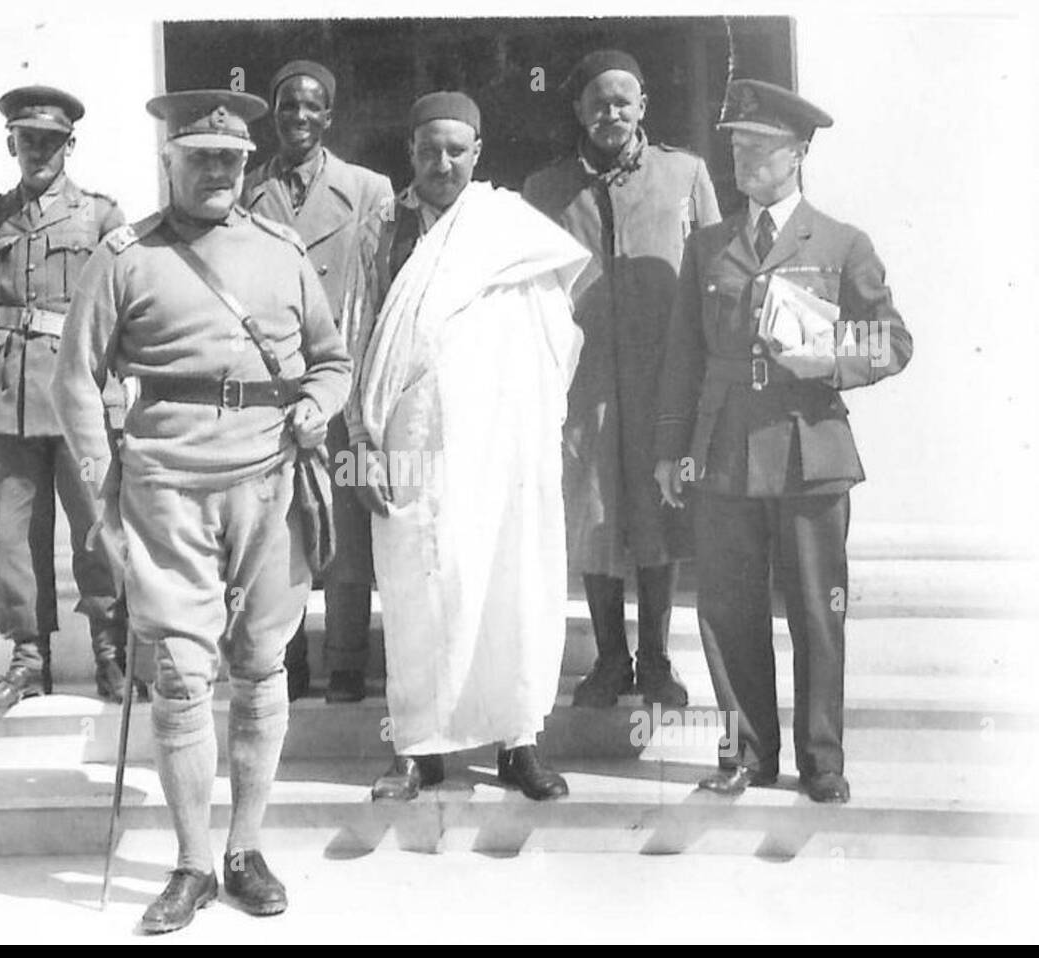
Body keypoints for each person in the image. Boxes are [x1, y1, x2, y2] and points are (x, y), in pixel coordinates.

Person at [51, 89, 351, 933]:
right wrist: (103, 485)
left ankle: (245, 850)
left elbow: (332, 361)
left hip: (269, 486)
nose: (218, 170)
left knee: (262, 667)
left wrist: (318, 405)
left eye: (232, 159)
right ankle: (190, 864)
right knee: (182, 678)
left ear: (246, 165)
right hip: (166, 493)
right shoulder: (125, 257)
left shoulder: (283, 252)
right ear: (169, 163)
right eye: (201, 157)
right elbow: (76, 380)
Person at [652, 79, 912, 804]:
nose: (742, 160)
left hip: (809, 447)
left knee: (815, 610)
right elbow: (683, 357)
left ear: (797, 154)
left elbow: (892, 339)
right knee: (729, 610)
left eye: (759, 149)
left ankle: (821, 758)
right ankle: (746, 755)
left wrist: (827, 358)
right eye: (735, 146)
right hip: (726, 448)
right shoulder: (708, 247)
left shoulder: (840, 242)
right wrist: (672, 451)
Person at [343, 91, 589, 802]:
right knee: (420, 590)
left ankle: (518, 742)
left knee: (511, 580)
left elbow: (555, 331)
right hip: (410, 444)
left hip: (502, 446)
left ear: (478, 153)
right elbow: (359, 336)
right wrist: (359, 442)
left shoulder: (509, 227)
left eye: (456, 149)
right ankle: (417, 748)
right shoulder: (382, 230)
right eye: (429, 150)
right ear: (410, 153)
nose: (442, 162)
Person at [524, 49, 721, 710]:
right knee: (596, 513)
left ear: (642, 108)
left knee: (658, 512)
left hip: (664, 376)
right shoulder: (545, 190)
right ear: (578, 110)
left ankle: (658, 659)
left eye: (622, 101)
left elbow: (715, 276)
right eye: (597, 102)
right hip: (584, 382)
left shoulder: (685, 174)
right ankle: (610, 660)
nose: (610, 112)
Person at [0, 85, 137, 708]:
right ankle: (29, 661)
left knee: (95, 524)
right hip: (8, 404)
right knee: (14, 535)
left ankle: (113, 654)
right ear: (11, 143)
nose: (38, 152)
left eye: (51, 141)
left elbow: (127, 305)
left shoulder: (103, 218)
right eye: (27, 140)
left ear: (70, 145)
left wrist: (105, 378)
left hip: (81, 398)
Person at [242, 60, 394, 704]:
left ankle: (349, 662)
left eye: (311, 108)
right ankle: (289, 659)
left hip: (342, 381)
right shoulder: (246, 191)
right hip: (272, 388)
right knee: (282, 529)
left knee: (350, 528)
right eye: (286, 107)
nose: (297, 119)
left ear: (329, 116)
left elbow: (385, 291)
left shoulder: (368, 189)